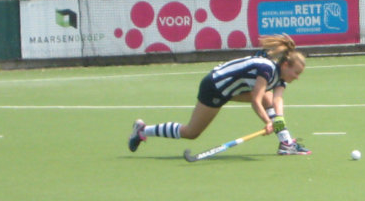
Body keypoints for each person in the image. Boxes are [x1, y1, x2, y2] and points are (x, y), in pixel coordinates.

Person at [127, 34, 311, 156]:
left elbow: (278, 99)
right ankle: (143, 130)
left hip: (232, 90)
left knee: (269, 99)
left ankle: (286, 144)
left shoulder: (281, 76)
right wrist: (267, 121)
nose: (297, 77)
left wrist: (278, 120)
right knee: (191, 132)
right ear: (285, 65)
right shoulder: (267, 69)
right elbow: (255, 100)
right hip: (215, 87)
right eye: (296, 73)